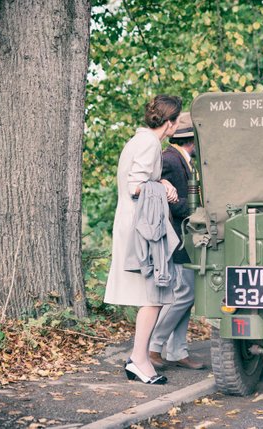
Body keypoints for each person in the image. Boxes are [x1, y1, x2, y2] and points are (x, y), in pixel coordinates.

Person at [105, 95, 182, 384]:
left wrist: (160, 182)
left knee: (153, 296)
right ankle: (139, 359)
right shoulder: (150, 144)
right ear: (170, 122)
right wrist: (164, 186)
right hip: (143, 230)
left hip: (134, 225)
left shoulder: (138, 140)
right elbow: (136, 187)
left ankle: (139, 357)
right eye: (177, 120)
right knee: (154, 296)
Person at [149, 112, 205, 370]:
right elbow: (160, 199)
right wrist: (195, 209)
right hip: (177, 236)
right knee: (185, 294)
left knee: (187, 295)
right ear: (192, 141)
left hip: (186, 236)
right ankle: (154, 346)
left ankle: (177, 350)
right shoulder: (169, 160)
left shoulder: (181, 160)